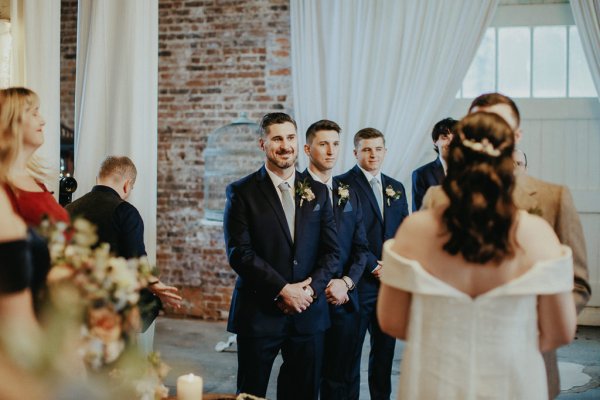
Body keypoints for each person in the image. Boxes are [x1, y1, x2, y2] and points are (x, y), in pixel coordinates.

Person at [378, 112, 576, 399]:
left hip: (434, 381)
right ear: (509, 162)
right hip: (512, 382)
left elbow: (392, 322)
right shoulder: (538, 234)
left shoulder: (414, 230)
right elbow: (560, 331)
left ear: (454, 157)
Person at [421, 93, 590, 399]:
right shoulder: (437, 198)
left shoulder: (554, 198)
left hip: (529, 355)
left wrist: (533, 322)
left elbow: (576, 282)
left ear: (516, 134)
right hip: (453, 359)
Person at [223, 112, 339, 399]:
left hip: (308, 314)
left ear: (298, 142)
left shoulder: (318, 192)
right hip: (259, 311)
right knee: (251, 394)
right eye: (277, 138)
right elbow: (239, 253)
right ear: (263, 144)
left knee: (303, 393)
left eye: (290, 138)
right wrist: (282, 289)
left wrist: (308, 291)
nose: (285, 145)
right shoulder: (241, 192)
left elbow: (332, 251)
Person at [66, 156, 181, 342]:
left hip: (72, 308)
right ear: (127, 185)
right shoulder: (126, 212)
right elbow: (136, 261)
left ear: (98, 178)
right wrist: (155, 286)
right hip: (112, 312)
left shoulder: (69, 209)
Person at [337, 128, 409, 400]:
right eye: (367, 149)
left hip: (390, 285)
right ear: (355, 153)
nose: (373, 154)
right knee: (350, 355)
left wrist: (395, 265)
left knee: (384, 354)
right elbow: (346, 235)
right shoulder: (343, 185)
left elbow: (404, 231)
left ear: (385, 151)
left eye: (378, 149)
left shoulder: (396, 187)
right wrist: (375, 266)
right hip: (359, 282)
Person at [301, 119, 370, 400]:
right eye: (323, 144)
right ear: (307, 148)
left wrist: (347, 282)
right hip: (309, 302)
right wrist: (318, 286)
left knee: (341, 380)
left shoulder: (348, 190)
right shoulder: (295, 190)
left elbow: (361, 247)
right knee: (305, 380)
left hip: (344, 300)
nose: (331, 151)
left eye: (336, 144)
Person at [1, 88, 69, 227]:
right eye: (34, 113)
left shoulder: (38, 183)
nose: (43, 120)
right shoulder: (4, 186)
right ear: (10, 121)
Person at [411, 118, 457, 211]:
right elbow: (419, 214)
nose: (450, 143)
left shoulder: (472, 170)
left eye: (455, 138)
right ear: (435, 141)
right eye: (444, 137)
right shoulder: (421, 174)